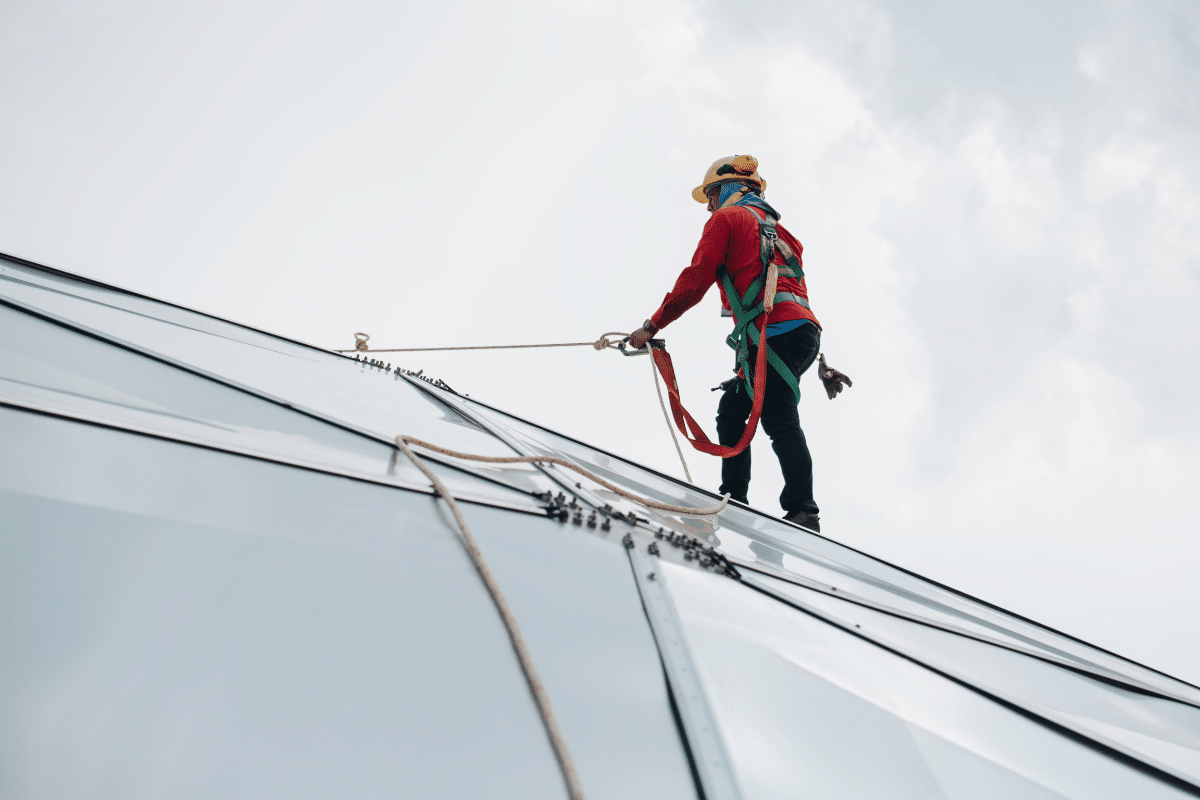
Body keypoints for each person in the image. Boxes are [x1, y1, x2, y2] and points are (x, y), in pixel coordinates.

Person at [627, 155, 850, 532]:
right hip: (799, 335)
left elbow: (696, 279)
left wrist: (652, 325)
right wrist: (817, 362)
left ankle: (802, 510)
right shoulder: (782, 233)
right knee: (732, 408)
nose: (710, 205)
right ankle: (734, 497)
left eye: (712, 194)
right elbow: (790, 290)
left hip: (774, 335)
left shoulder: (727, 220)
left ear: (729, 189)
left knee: (778, 417)